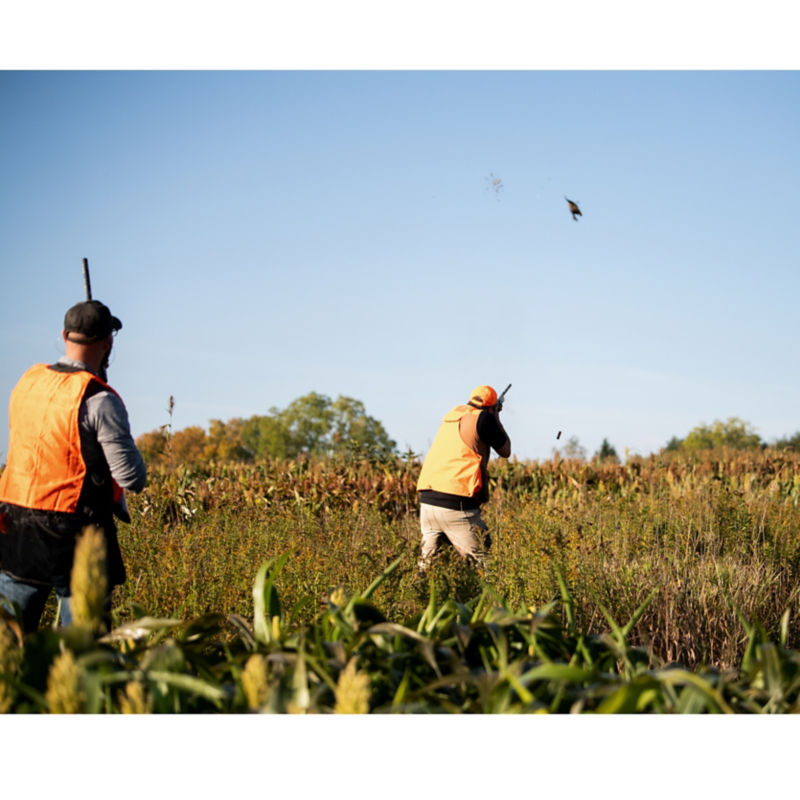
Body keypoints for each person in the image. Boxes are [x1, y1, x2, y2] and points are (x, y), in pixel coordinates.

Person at [0, 300, 146, 632]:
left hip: (15, 524)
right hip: (74, 532)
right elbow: (131, 478)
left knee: (6, 640)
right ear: (107, 342)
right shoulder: (100, 399)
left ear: (64, 335)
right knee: (83, 654)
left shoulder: (28, 381)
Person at [416, 384, 511, 571]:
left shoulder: (453, 415)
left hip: (427, 504)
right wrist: (496, 417)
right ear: (491, 407)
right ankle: (489, 601)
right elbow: (505, 450)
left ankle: (416, 599)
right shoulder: (484, 419)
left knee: (427, 571)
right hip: (456, 505)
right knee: (485, 570)